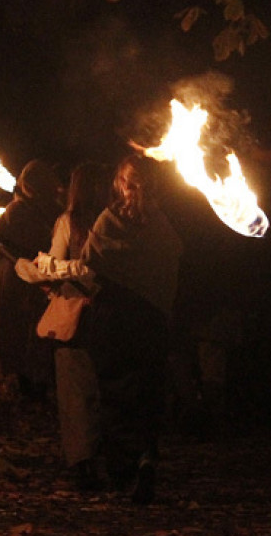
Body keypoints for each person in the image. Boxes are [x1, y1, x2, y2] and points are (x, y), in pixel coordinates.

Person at [16, 154, 183, 503]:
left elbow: (90, 267)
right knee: (145, 393)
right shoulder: (165, 223)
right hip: (152, 322)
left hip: (116, 320)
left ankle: (127, 469)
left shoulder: (111, 221)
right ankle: (145, 456)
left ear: (121, 184)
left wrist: (47, 267)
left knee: (118, 395)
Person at [47, 161, 113, 491]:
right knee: (87, 392)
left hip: (93, 317)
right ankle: (89, 462)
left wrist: (53, 270)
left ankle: (87, 460)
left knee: (81, 393)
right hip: (83, 317)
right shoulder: (103, 222)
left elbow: (59, 266)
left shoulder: (104, 223)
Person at [0, 159, 64, 397]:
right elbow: (35, 240)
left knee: (33, 328)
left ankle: (33, 376)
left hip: (34, 279)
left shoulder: (40, 209)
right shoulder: (17, 211)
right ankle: (20, 378)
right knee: (16, 327)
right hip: (15, 279)